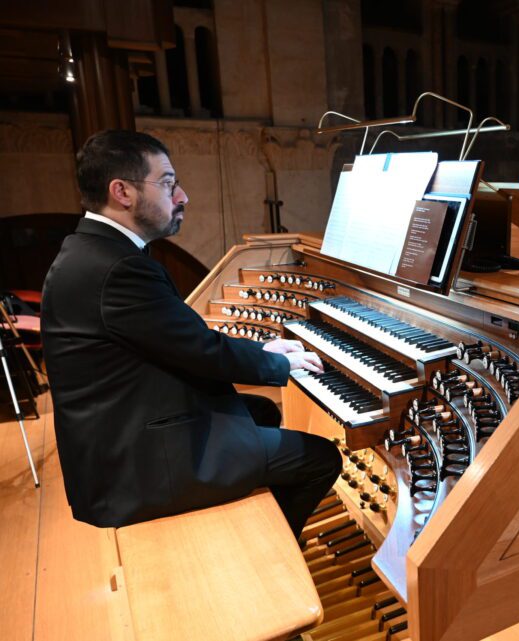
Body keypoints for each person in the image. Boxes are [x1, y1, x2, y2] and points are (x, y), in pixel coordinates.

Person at [41, 129, 342, 535]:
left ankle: (251, 530)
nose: (182, 197)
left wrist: (264, 347)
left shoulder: (92, 251)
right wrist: (276, 363)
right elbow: (200, 349)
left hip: (117, 436)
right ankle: (269, 566)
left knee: (263, 412)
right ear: (122, 192)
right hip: (132, 467)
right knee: (320, 457)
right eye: (167, 183)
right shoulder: (117, 268)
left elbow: (181, 340)